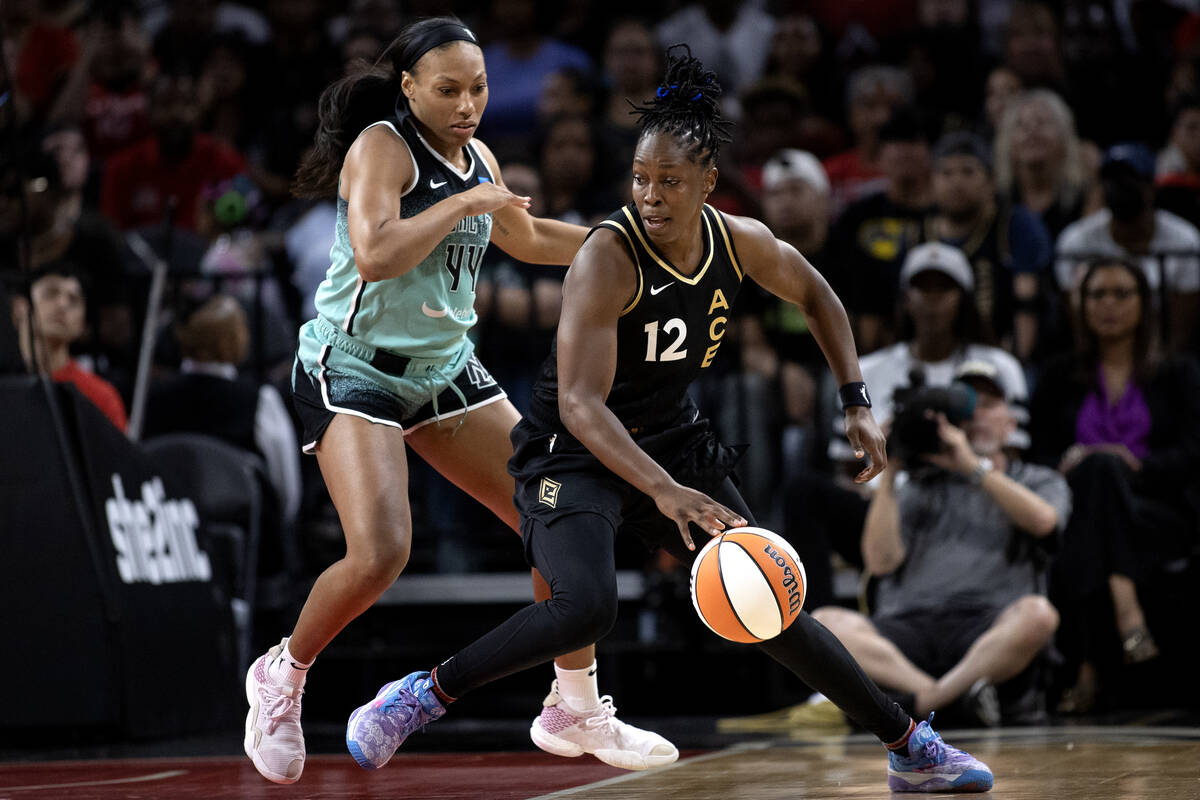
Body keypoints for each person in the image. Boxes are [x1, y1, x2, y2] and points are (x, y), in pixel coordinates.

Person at [344, 46, 993, 794]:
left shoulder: (737, 241)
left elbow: (819, 295)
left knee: (775, 610)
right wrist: (663, 492)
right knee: (585, 606)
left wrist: (855, 402)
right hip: (572, 451)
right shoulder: (606, 256)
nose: (650, 195)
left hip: (673, 443)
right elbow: (584, 406)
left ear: (709, 184)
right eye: (641, 178)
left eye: (670, 182)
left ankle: (909, 745)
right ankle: (420, 695)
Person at [242, 16, 674, 786]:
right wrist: (463, 203)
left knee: (556, 516)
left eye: (477, 87)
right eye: (449, 90)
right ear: (409, 88)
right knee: (380, 553)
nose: (468, 103)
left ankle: (575, 704)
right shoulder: (382, 145)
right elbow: (375, 253)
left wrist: (629, 243)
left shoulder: (476, 154)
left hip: (445, 371)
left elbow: (530, 237)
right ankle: (283, 673)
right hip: (356, 367)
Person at [812, 358, 1067, 726]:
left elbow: (1045, 522)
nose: (977, 413)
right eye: (968, 405)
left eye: (989, 405)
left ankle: (923, 703)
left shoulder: (1037, 479)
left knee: (1039, 614)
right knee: (825, 623)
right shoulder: (918, 485)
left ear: (1011, 424)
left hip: (985, 629)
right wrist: (891, 469)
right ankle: (947, 696)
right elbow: (880, 562)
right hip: (906, 630)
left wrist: (972, 468)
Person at [1029, 257, 1200, 713]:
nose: (1108, 304)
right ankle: (1130, 617)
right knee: (1096, 476)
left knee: (1102, 479)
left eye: (1121, 293)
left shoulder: (1177, 372)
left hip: (1155, 508)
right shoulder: (1058, 374)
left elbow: (1191, 451)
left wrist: (1138, 465)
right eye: (1096, 294)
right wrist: (1068, 460)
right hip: (1079, 501)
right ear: (1080, 305)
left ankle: (1085, 668)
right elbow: (1038, 450)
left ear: (1145, 304)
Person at [143, 295, 301, 526]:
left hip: (173, 528)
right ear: (235, 340)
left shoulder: (152, 398)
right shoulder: (259, 401)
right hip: (244, 530)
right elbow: (285, 488)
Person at [1055, 144, 1200, 352]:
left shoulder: (1185, 241)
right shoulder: (1075, 242)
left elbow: (1180, 331)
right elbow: (1079, 329)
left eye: (1129, 179)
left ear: (1151, 185)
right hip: (1099, 356)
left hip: (1163, 354)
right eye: (1111, 180)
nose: (1119, 187)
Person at [922, 131, 1052, 361]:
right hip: (931, 356)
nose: (957, 182)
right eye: (946, 173)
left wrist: (1018, 363)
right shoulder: (919, 232)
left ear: (991, 181)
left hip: (1003, 354)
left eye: (968, 171)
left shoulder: (1015, 225)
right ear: (932, 182)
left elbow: (1027, 300)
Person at [10, 262, 127, 431]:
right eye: (50, 294)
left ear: (81, 324)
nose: (62, 305)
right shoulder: (6, 382)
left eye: (74, 301)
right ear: (20, 307)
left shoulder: (100, 396)